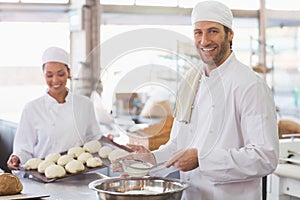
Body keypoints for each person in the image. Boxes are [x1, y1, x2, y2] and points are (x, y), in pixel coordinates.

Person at [113, 1, 279, 199]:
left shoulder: (250, 85)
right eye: (198, 32)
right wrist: (151, 159)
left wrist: (203, 159)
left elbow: (265, 157)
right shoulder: (190, 83)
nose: (204, 40)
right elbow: (178, 145)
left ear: (230, 35)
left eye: (213, 31)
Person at [7, 46, 103, 170]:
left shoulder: (84, 104)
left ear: (68, 73)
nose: (55, 80)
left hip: (80, 175)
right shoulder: (32, 109)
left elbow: (93, 139)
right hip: (43, 177)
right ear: (43, 75)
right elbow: (23, 148)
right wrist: (17, 158)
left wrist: (107, 144)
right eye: (49, 75)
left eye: (61, 74)